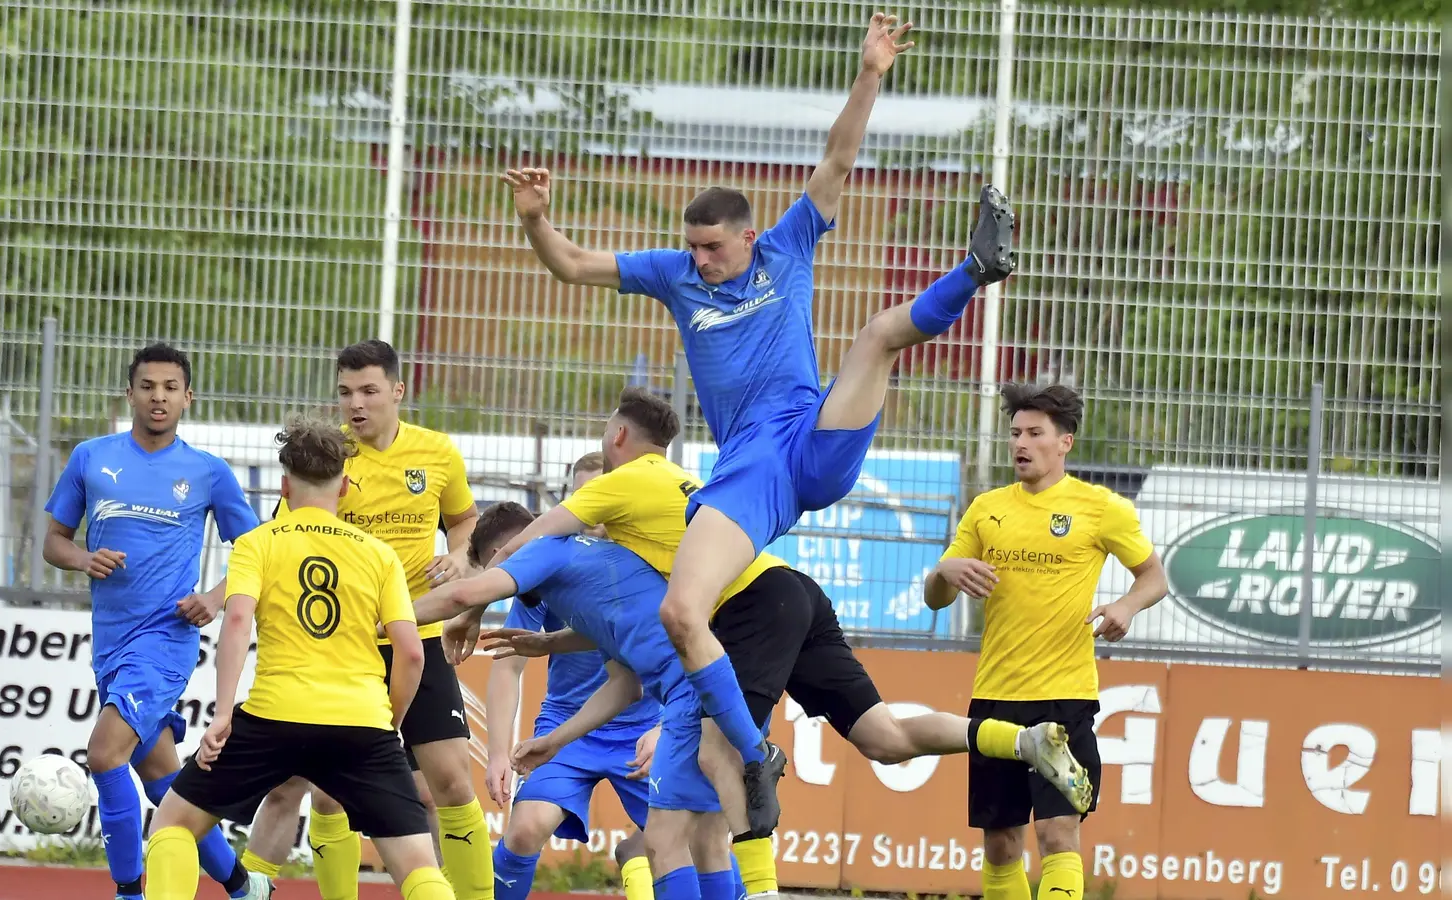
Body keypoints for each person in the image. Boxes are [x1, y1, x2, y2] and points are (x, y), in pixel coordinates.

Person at [502, 11, 1018, 824]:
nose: (699, 259)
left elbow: (839, 159)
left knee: (881, 334)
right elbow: (570, 263)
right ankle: (754, 754)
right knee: (680, 612)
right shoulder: (673, 276)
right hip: (754, 465)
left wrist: (872, 69)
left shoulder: (786, 246)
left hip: (814, 440)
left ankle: (977, 266)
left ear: (747, 236)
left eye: (712, 247)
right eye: (692, 247)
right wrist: (536, 217)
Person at [479, 388, 1091, 899]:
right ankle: (1018, 739)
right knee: (884, 738)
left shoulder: (620, 494)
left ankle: (761, 859)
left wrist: (472, 584)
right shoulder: (656, 511)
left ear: (618, 440)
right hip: (792, 592)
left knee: (711, 778)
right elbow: (627, 637)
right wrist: (553, 644)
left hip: (749, 611)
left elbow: (533, 545)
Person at [141, 414, 454, 900]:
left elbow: (238, 622)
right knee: (417, 867)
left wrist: (224, 715)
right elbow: (411, 654)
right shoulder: (378, 554)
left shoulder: (256, 544)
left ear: (284, 487)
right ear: (345, 486)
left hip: (273, 717)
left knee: (173, 825)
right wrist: (388, 723)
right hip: (362, 723)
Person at [238, 340, 493, 900]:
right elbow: (287, 539)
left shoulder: (437, 453)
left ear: (397, 392)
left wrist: (459, 551)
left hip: (415, 637)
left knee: (449, 781)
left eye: (369, 391)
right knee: (319, 789)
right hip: (342, 646)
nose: (356, 403)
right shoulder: (330, 460)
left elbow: (466, 519)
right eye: (346, 392)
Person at [417, 506, 744, 900]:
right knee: (530, 828)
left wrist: (384, 619)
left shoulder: (571, 561)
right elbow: (621, 683)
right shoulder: (570, 582)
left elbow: (464, 593)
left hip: (670, 716)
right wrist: (536, 742)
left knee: (693, 841)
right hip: (591, 722)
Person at [41, 343, 269, 900]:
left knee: (104, 754)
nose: (158, 397)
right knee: (165, 781)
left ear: (187, 397)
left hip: (166, 641)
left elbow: (260, 550)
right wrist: (83, 559)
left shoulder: (207, 472)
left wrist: (216, 597)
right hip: (111, 645)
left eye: (170, 387)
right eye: (148, 386)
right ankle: (244, 886)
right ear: (130, 393)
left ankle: (128, 891)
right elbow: (52, 542)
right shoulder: (91, 458)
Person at [924, 383, 1169, 900]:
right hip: (996, 697)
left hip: (1065, 697)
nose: (1022, 443)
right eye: (1016, 432)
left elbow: (1154, 577)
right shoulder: (987, 508)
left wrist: (1125, 606)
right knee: (1000, 844)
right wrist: (945, 570)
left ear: (1065, 443)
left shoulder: (1100, 508)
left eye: (1036, 433)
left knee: (1057, 833)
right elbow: (936, 600)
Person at [483, 453, 660, 900]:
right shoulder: (549, 567)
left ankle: (635, 856)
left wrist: (667, 726)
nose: (593, 510)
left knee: (684, 843)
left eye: (602, 497)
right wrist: (498, 753)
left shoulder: (652, 564)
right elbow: (508, 665)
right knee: (523, 831)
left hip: (644, 728)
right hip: (567, 727)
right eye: (583, 497)